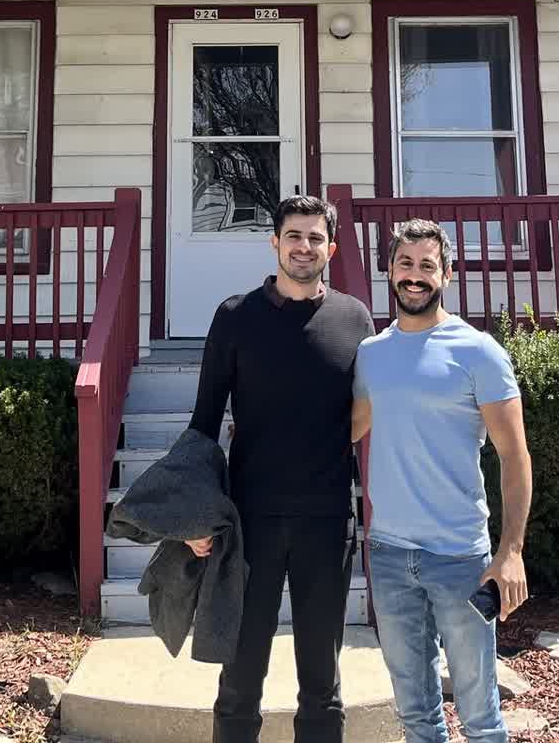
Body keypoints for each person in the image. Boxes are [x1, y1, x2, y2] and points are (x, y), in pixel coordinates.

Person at [185, 194, 375, 743]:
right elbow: (203, 422)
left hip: (326, 519)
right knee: (241, 677)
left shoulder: (354, 318)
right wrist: (199, 515)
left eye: (316, 238)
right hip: (250, 523)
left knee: (322, 680)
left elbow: (370, 411)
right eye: (294, 235)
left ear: (331, 248)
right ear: (274, 242)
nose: (304, 246)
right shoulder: (235, 317)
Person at [352, 218, 533, 743]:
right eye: (405, 264)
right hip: (388, 555)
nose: (415, 276)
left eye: (427, 266)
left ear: (447, 274)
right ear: (389, 271)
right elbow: (349, 428)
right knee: (416, 715)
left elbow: (515, 457)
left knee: (480, 717)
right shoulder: (371, 354)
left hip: (459, 558)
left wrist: (511, 552)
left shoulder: (479, 352)